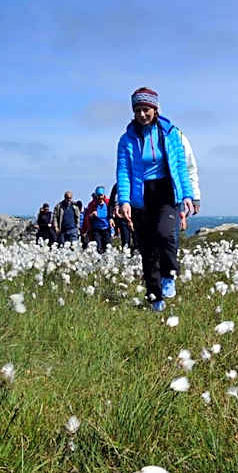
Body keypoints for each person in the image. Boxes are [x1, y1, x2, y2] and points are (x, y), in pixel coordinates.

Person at [116, 87, 194, 311]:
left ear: (156, 109)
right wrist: (124, 200)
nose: (142, 114)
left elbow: (181, 166)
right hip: (141, 195)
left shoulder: (170, 133)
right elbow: (123, 171)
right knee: (148, 249)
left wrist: (187, 194)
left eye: (146, 109)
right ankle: (155, 298)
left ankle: (169, 274)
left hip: (166, 190)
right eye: (137, 110)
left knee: (165, 234)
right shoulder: (126, 140)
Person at [82, 186, 113, 254]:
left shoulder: (108, 203)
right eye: (98, 196)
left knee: (108, 247)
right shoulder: (92, 204)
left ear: (104, 195)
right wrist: (92, 215)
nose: (100, 197)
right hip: (96, 230)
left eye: (101, 195)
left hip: (106, 229)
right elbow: (87, 217)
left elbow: (112, 215)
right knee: (98, 248)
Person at [109, 183, 135, 255]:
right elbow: (111, 203)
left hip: (134, 217)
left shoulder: (134, 183)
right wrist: (111, 217)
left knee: (138, 241)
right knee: (125, 243)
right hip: (122, 218)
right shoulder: (117, 186)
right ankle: (126, 257)